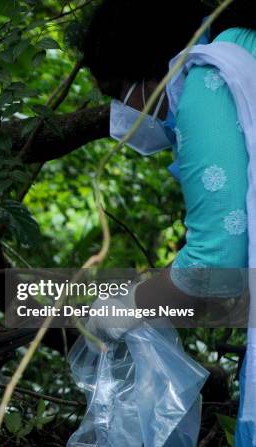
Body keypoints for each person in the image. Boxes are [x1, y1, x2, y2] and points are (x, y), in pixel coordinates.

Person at [78, 0, 256, 444]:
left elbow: (217, 264)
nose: (122, 118)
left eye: (118, 95)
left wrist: (131, 305)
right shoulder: (244, 51)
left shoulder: (208, 79)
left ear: (144, 68)